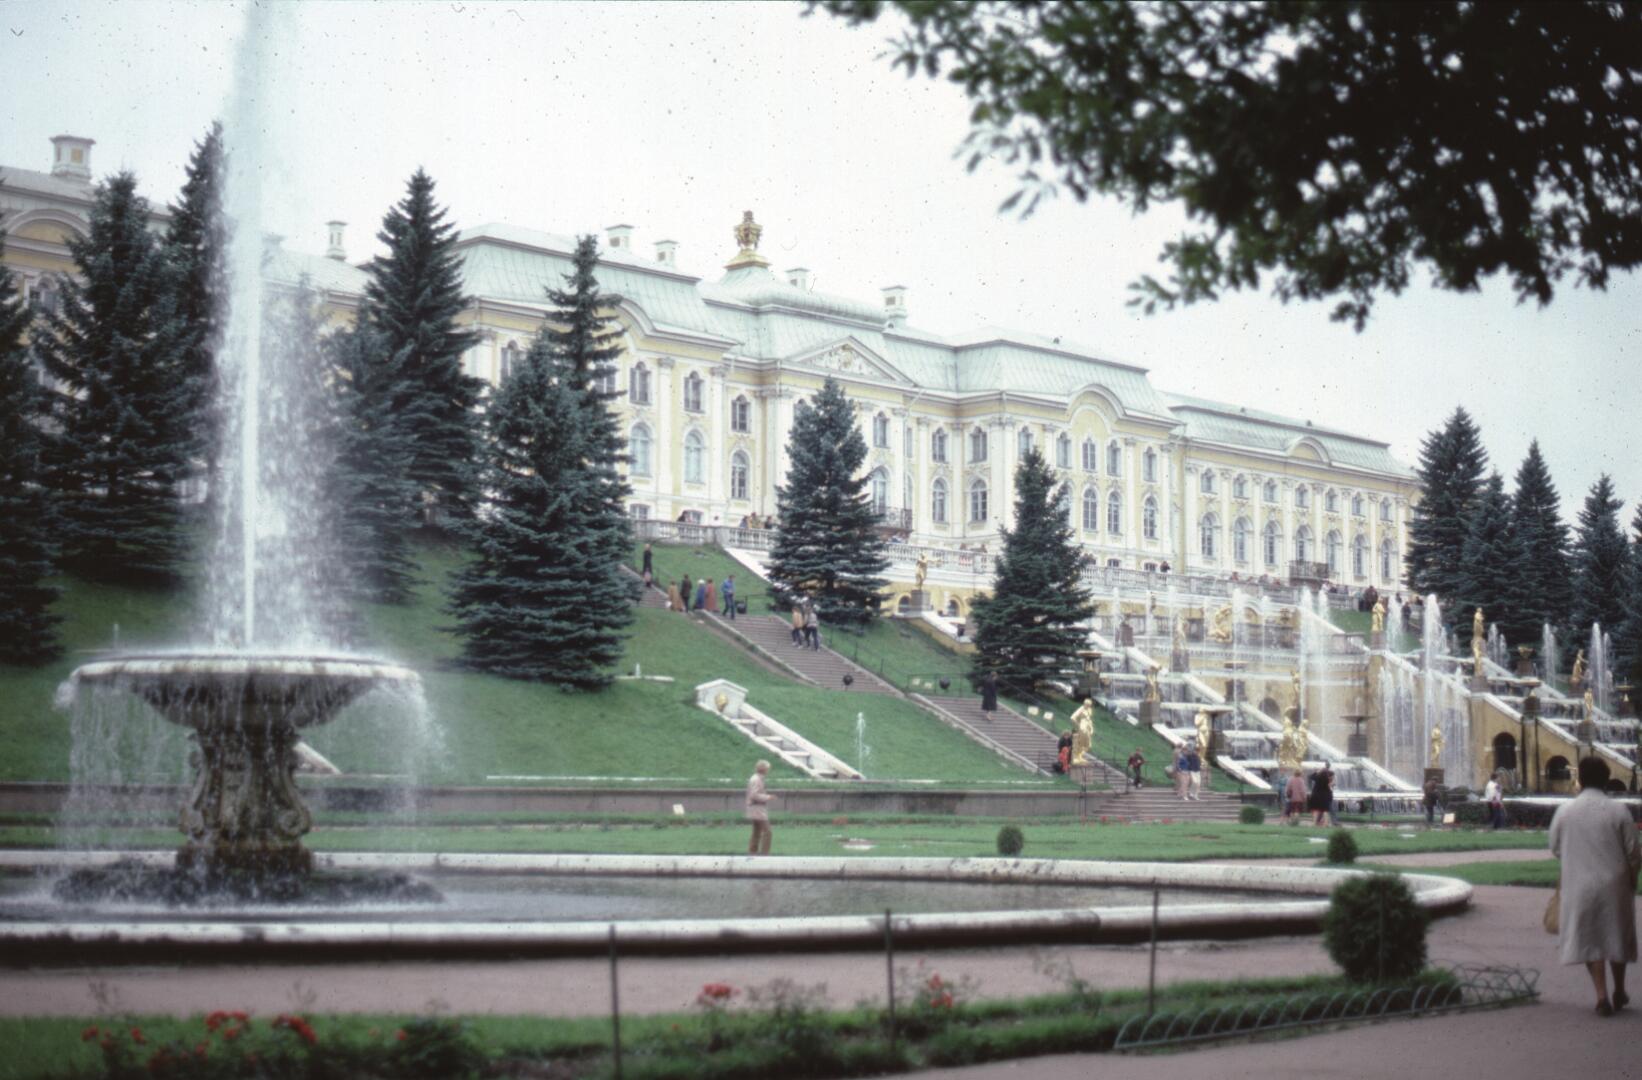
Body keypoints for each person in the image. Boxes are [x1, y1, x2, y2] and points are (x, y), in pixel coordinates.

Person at [1549, 757, 1641, 1016]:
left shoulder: (1565, 811)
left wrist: (1575, 857)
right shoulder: (1618, 810)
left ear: (1580, 780)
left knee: (1590, 938)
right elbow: (1634, 851)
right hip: (1615, 882)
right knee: (1616, 935)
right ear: (1606, 780)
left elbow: (1555, 847)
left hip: (1580, 882)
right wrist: (1633, 875)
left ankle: (1601, 995)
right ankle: (1619, 989)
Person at [745, 760, 775, 855]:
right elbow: (754, 795)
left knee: (756, 832)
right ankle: (764, 854)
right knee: (767, 832)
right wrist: (768, 797)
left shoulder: (756, 778)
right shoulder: (756, 780)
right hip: (757, 809)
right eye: (767, 768)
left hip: (754, 809)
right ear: (763, 769)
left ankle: (752, 854)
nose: (768, 771)